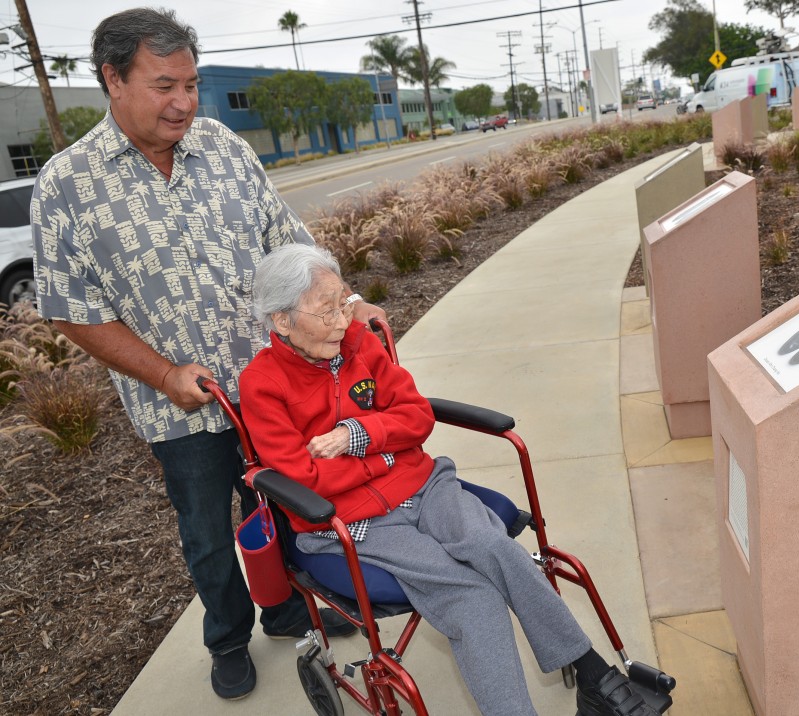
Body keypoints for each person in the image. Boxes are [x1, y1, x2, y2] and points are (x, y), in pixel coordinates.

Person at [30, 8, 377, 701]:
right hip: (179, 410)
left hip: (273, 387)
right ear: (112, 80)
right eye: (164, 86)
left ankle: (287, 609)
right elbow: (70, 308)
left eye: (191, 84)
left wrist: (351, 302)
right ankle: (227, 636)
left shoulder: (224, 147)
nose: (184, 103)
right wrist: (164, 373)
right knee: (210, 536)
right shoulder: (66, 185)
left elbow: (289, 239)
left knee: (285, 505)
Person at [239, 243, 660, 716]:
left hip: (424, 485)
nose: (342, 320)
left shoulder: (362, 343)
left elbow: (416, 417)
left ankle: (593, 676)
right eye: (326, 311)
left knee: (492, 545)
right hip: (353, 523)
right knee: (471, 598)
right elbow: (306, 479)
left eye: (343, 302)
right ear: (281, 320)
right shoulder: (262, 383)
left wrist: (360, 434)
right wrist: (386, 458)